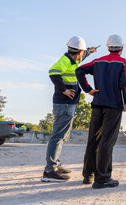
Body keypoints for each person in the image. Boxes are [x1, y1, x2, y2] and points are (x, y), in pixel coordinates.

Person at [75, 34, 126, 189]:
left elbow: (79, 71)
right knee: (107, 142)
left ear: (108, 47)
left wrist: (88, 89)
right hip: (113, 106)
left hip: (97, 104)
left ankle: (88, 175)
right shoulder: (124, 63)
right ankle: (103, 179)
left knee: (93, 140)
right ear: (121, 48)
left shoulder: (97, 62)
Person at [41, 36, 98, 182]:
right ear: (78, 51)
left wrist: (90, 51)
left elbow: (83, 55)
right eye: (83, 52)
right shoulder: (65, 61)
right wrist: (63, 90)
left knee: (61, 136)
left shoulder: (74, 59)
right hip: (64, 103)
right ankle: (49, 170)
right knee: (58, 136)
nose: (83, 54)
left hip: (68, 104)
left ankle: (55, 164)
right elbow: (53, 72)